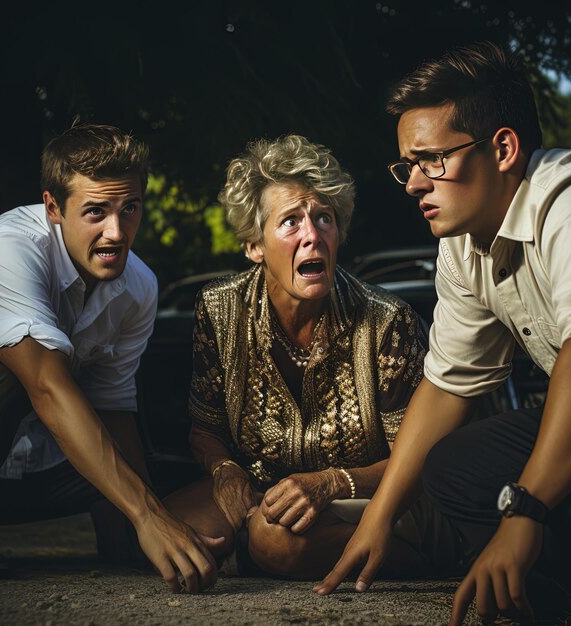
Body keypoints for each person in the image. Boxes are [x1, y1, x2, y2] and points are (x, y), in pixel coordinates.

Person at [314, 41, 571, 623]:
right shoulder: (462, 244)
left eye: (431, 161)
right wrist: (377, 519)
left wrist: (524, 511)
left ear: (502, 148)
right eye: (406, 165)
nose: (413, 183)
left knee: (564, 506)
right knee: (454, 466)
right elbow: (448, 388)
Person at [163, 134, 466, 581]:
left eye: (324, 218)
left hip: (377, 496)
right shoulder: (219, 309)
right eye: (290, 222)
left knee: (273, 539)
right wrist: (225, 471)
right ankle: (260, 547)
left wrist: (330, 483)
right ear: (254, 245)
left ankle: (430, 563)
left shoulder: (388, 323)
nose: (312, 235)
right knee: (158, 529)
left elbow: (419, 458)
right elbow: (205, 428)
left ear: (339, 232)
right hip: (266, 490)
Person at [0, 123, 222, 592]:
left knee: (170, 470)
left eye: (129, 209)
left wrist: (139, 530)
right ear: (52, 208)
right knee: (20, 356)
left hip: (41, 480)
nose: (116, 232)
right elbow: (46, 386)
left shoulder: (139, 286)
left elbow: (113, 405)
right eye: (95, 212)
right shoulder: (6, 246)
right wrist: (148, 516)